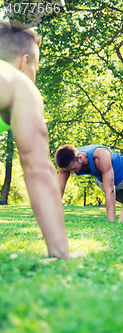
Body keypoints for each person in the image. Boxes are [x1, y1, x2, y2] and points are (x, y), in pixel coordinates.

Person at [0, 21, 81, 260]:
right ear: (25, 61)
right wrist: (60, 252)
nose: (35, 74)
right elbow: (38, 171)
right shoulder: (18, 82)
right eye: (36, 67)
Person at [55, 144, 123, 222]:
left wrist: (111, 221)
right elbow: (58, 191)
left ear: (79, 158)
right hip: (102, 177)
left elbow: (110, 191)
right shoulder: (66, 164)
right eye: (69, 170)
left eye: (73, 168)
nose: (72, 173)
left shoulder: (100, 156)